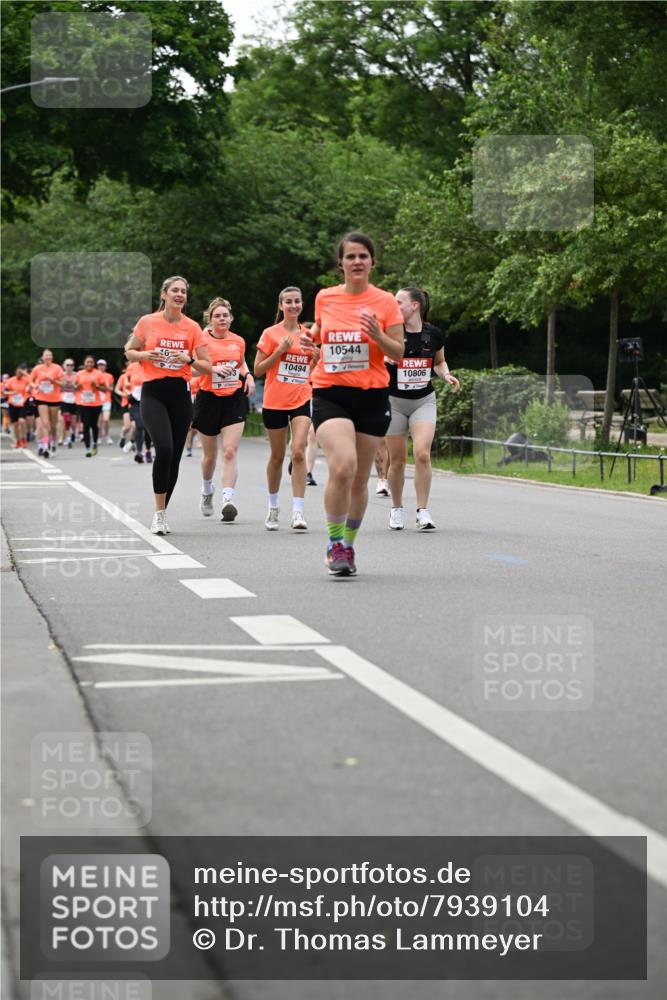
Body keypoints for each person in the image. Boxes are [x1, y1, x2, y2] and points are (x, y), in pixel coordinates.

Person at [300, 231, 404, 576]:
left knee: (360, 479)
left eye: (363, 256)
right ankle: (333, 543)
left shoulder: (386, 302)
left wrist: (378, 336)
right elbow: (318, 330)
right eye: (350, 257)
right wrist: (310, 339)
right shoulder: (326, 298)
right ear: (340, 264)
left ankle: (348, 544)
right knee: (342, 467)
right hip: (331, 392)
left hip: (372, 395)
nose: (357, 262)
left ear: (372, 262)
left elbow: (400, 352)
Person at [125, 276, 211, 535]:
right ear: (164, 295)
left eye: (184, 291)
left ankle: (161, 512)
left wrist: (189, 359)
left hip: (180, 394)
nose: (180, 294)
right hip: (153, 392)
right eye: (175, 290)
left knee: (173, 457)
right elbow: (129, 350)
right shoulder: (148, 322)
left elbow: (207, 367)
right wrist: (144, 355)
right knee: (163, 448)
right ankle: (159, 514)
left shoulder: (193, 327)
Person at [386, 287, 460, 530]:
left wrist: (446, 375)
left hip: (423, 400)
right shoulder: (391, 332)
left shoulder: (434, 334)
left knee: (422, 454)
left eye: (398, 301)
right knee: (397, 460)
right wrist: (384, 359)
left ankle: (422, 511)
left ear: (415, 305)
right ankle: (396, 509)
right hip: (394, 401)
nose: (393, 305)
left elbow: (438, 362)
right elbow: (375, 359)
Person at [254, 286, 317, 530]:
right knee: (278, 456)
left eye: (297, 301)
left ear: (301, 305)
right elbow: (258, 369)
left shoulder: (309, 334)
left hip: (301, 397)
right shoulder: (270, 334)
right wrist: (279, 351)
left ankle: (298, 511)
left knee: (299, 451)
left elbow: (310, 370)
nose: (293, 305)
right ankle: (272, 507)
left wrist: (315, 360)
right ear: (281, 306)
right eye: (288, 302)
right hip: (275, 401)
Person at [192, 297, 254, 521]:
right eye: (217, 316)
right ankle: (207, 491)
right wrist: (213, 369)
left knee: (229, 451)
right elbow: (192, 371)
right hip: (208, 398)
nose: (221, 319)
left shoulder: (238, 340)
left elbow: (241, 363)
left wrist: (247, 376)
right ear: (210, 319)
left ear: (231, 318)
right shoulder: (200, 340)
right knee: (210, 456)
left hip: (233, 398)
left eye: (225, 315)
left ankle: (228, 499)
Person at [28, 349, 64, 457]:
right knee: (45, 423)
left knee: (53, 425)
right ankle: (45, 445)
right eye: (46, 355)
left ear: (52, 357)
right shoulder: (37, 369)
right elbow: (30, 381)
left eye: (50, 355)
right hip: (41, 397)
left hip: (54, 398)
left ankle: (53, 442)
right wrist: (35, 386)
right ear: (43, 357)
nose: (48, 357)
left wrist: (53, 380)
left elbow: (63, 383)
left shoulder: (57, 368)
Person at [74, 355, 108, 456]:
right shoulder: (79, 374)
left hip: (95, 403)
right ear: (84, 363)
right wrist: (78, 386)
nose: (89, 364)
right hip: (82, 403)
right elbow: (73, 388)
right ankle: (87, 447)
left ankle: (94, 443)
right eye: (87, 362)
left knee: (94, 424)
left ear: (94, 364)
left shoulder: (98, 374)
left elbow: (105, 389)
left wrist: (96, 386)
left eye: (91, 362)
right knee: (86, 424)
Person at [3, 365, 30, 448]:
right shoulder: (10, 381)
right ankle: (18, 441)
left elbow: (32, 384)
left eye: (21, 373)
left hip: (23, 403)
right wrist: (12, 393)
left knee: (22, 421)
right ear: (15, 372)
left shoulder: (26, 380)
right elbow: (4, 392)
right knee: (15, 424)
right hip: (13, 403)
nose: (19, 374)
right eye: (18, 372)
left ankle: (23, 439)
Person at [59, 359, 78, 447]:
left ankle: (73, 432)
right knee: (66, 418)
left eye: (71, 365)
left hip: (74, 399)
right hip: (64, 398)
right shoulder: (61, 375)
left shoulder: (77, 375)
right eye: (68, 365)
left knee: (73, 421)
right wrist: (63, 384)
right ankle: (66, 438)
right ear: (64, 366)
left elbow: (80, 386)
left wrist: (75, 386)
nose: (69, 367)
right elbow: (58, 386)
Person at [95, 359, 115, 444]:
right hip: (96, 400)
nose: (101, 367)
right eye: (99, 365)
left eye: (102, 365)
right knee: (99, 420)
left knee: (106, 419)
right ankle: (99, 437)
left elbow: (111, 389)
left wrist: (105, 386)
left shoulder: (109, 376)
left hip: (106, 400)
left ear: (105, 366)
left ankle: (107, 436)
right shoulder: (94, 375)